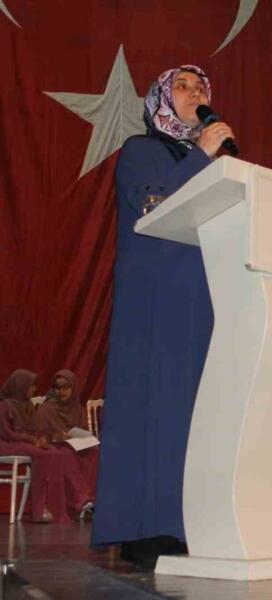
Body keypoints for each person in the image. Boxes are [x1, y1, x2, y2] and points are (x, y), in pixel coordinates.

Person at [91, 65, 236, 564]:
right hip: (154, 300)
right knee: (156, 405)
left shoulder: (214, 161)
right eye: (182, 86)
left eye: (201, 88)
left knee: (196, 413)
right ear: (159, 99)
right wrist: (201, 155)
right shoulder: (141, 150)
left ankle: (189, 522)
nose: (194, 93)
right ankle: (146, 530)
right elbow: (152, 204)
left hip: (204, 299)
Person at [0, 369, 91, 523]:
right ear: (21, 386)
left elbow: (35, 429)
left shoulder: (27, 405)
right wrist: (32, 440)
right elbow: (7, 434)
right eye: (31, 386)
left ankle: (53, 505)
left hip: (23, 443)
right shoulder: (4, 406)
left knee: (54, 453)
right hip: (7, 444)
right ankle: (38, 510)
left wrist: (40, 439)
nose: (34, 389)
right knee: (44, 454)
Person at [35, 370, 100, 502]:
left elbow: (84, 431)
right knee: (66, 455)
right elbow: (40, 434)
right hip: (56, 446)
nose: (62, 391)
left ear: (73, 388)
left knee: (94, 452)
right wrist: (59, 436)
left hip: (76, 445)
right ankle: (81, 499)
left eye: (66, 387)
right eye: (58, 388)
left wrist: (81, 436)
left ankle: (93, 496)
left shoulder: (77, 408)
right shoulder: (46, 408)